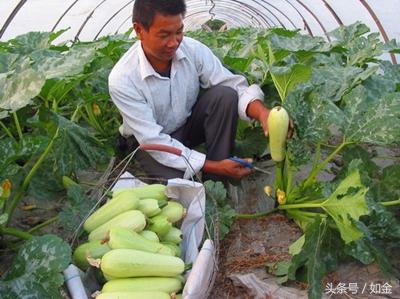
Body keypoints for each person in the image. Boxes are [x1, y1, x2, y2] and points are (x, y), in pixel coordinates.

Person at [108, 0, 271, 181]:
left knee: (225, 95)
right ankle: (216, 169)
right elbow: (153, 140)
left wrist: (263, 114)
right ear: (139, 30)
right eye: (164, 35)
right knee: (180, 183)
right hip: (147, 144)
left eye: (179, 32)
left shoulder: (193, 49)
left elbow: (232, 84)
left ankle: (217, 179)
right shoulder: (122, 79)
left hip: (185, 127)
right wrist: (212, 166)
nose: (174, 42)